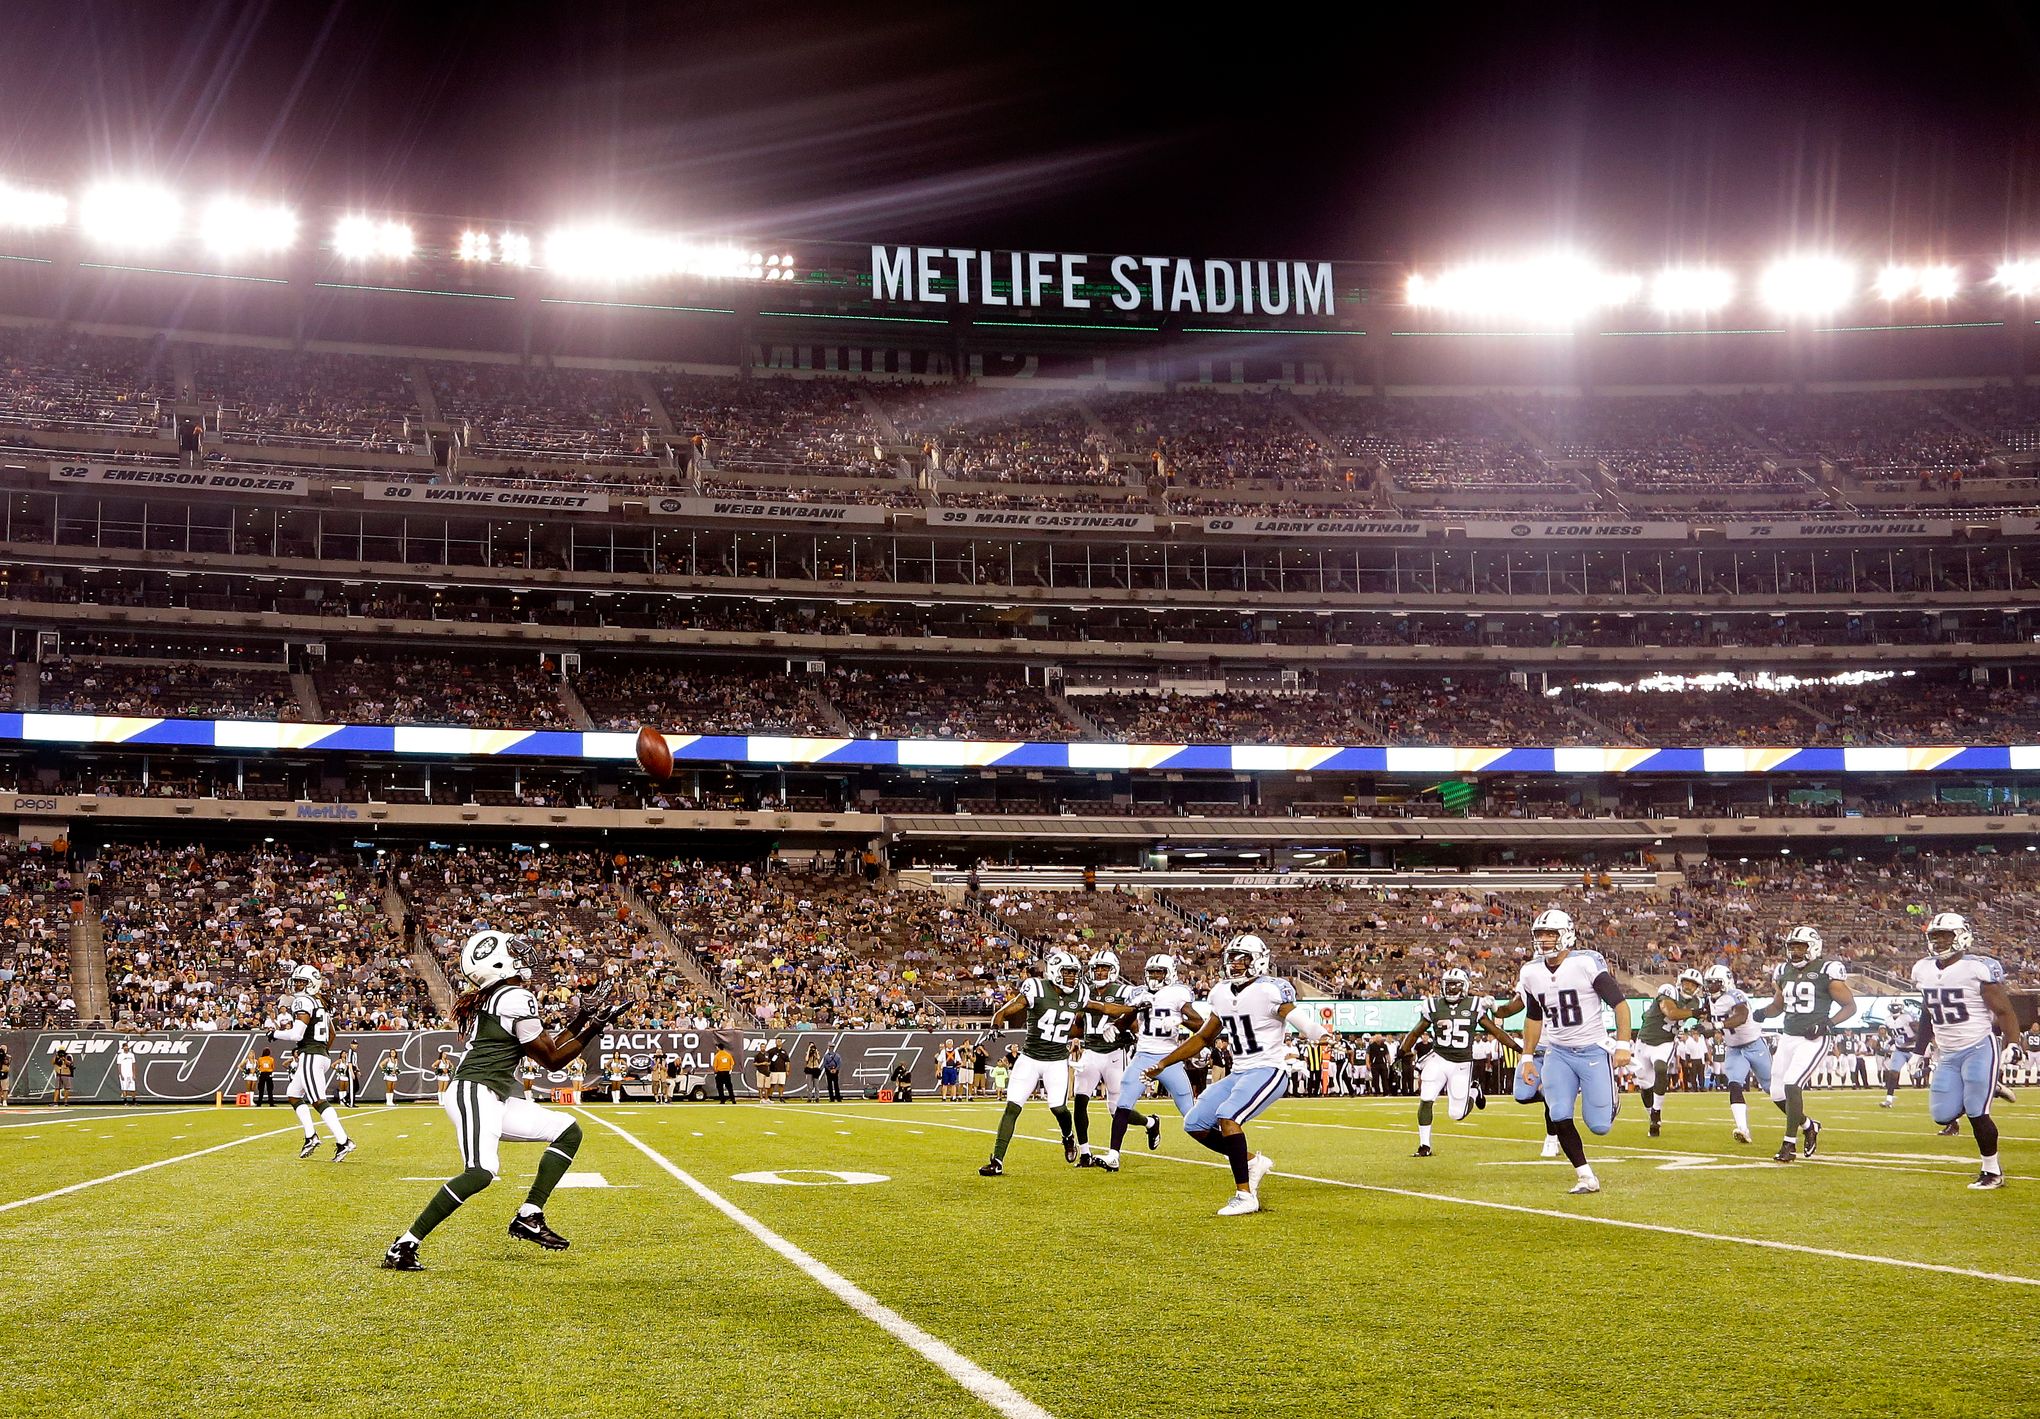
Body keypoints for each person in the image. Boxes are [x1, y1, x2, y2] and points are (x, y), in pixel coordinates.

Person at [382, 930, 626, 1270]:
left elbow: (547, 1048)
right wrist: (594, 1027)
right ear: (497, 962)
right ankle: (404, 1244)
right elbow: (553, 1060)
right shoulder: (512, 995)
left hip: (491, 1094)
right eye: (512, 951)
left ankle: (530, 1214)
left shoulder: (500, 996)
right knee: (480, 1172)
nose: (521, 956)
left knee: (568, 1130)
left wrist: (584, 1019)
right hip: (474, 1089)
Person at [1141, 934, 1327, 1216]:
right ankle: (1252, 1162)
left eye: (1243, 959)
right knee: (1194, 1123)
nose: (1236, 965)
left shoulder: (1272, 989)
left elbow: (1294, 1015)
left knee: (1228, 1116)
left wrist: (1318, 1033)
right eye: (1233, 958)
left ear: (1259, 960)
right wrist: (1164, 1062)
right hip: (1239, 1071)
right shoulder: (1221, 992)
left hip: (1268, 1069)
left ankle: (1245, 1195)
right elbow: (1204, 1037)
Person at [978, 950, 1134, 1176]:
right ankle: (997, 1161)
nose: (1072, 977)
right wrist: (995, 1022)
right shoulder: (1036, 988)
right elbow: (1011, 1007)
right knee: (1012, 1107)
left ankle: (1067, 1135)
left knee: (1058, 1108)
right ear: (1054, 971)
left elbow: (1103, 1008)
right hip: (1030, 1058)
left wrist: (1133, 1009)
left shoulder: (1079, 992)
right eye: (1067, 972)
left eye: (1074, 973)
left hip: (1056, 1061)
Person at [1512, 908, 1632, 1195]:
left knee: (1599, 1126)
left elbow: (1620, 1004)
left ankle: (1611, 1099)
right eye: (1539, 935)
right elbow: (1533, 1017)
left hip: (1592, 1050)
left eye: (1550, 934)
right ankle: (1585, 1175)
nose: (1543, 941)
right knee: (1559, 1113)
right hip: (1558, 1052)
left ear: (1565, 934)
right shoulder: (1530, 971)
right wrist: (1527, 1057)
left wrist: (1623, 1044)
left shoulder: (1586, 963)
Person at [1913, 912, 2021, 1189]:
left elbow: (2004, 1010)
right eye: (1934, 936)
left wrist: (2013, 1043)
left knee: (1976, 1111)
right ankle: (1989, 1086)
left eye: (1945, 935)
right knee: (1942, 1115)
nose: (1938, 941)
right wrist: (1918, 1050)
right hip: (1947, 1052)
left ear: (1961, 936)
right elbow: (1928, 1013)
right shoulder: (1923, 969)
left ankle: (1992, 1171)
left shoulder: (1977, 968)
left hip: (1978, 1047)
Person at [1096, 953, 1205, 1172]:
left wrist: (1180, 1020)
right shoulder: (1139, 993)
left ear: (1169, 974)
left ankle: (1230, 1149)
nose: (1154, 976)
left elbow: (1200, 1024)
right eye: (1151, 972)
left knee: (1190, 1115)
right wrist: (1115, 1027)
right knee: (1122, 1105)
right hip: (1143, 1056)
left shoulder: (1177, 994)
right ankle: (1113, 1155)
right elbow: (1129, 1018)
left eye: (1159, 972)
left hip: (1169, 1058)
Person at [1755, 926, 1855, 1163]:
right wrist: (1761, 1013)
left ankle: (1789, 1144)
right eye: (1793, 947)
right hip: (1788, 1036)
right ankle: (1809, 1125)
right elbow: (1778, 1006)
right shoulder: (1783, 971)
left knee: (1792, 1084)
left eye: (1801, 947)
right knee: (1776, 1093)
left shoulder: (1826, 970)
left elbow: (1850, 1006)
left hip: (1814, 1039)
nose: (1796, 952)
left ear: (1813, 947)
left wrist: (1827, 1024)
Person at [1396, 967, 1515, 1156]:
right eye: (1448, 986)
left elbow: (1497, 1033)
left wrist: (1521, 1050)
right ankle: (1424, 1145)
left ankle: (1474, 1091)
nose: (1451, 989)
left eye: (1455, 986)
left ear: (1465, 986)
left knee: (1456, 1114)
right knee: (1426, 1098)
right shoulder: (1433, 1006)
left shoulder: (1475, 1005)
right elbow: (1416, 1032)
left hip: (1461, 1063)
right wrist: (1401, 1052)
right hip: (1439, 1058)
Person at [273, 963, 353, 1162]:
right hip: (319, 1054)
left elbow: (296, 1034)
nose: (298, 986)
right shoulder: (319, 1003)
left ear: (311, 984)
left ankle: (344, 1141)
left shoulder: (304, 1002)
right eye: (297, 982)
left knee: (318, 1100)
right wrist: (322, 1050)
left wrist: (273, 1033)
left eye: (302, 982)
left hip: (311, 1055)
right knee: (293, 1094)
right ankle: (311, 1136)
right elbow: (332, 1033)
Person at [1071, 950, 1138, 1166]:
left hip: (1115, 1054)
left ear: (1113, 970)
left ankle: (1148, 1123)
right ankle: (1084, 1153)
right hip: (1090, 1052)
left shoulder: (1124, 991)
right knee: (1080, 1101)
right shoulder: (1085, 992)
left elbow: (1137, 1021)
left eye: (1104, 968)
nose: (1099, 972)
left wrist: (1126, 1030)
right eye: (1096, 968)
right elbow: (1079, 1025)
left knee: (1116, 1109)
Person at [1632, 969, 1706, 1137]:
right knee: (1644, 1084)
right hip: (1644, 1040)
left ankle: (1656, 1114)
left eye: (1693, 984)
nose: (1688, 986)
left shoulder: (1696, 1002)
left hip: (1665, 1041)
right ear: (1680, 981)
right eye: (1686, 982)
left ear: (1698, 988)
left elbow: (1704, 1019)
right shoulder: (1669, 990)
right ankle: (1651, 1116)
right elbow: (1671, 1013)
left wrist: (1705, 1022)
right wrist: (1695, 1013)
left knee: (1660, 1069)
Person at [1703, 963, 1769, 1144]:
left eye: (1715, 983)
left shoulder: (1735, 995)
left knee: (1773, 1090)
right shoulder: (1711, 1000)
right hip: (1734, 1048)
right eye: (1709, 983)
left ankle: (1804, 1123)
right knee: (1734, 1084)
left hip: (1754, 1045)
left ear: (1725, 982)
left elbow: (1741, 1016)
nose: (1710, 987)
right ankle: (1743, 1128)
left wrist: (1717, 1026)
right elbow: (1710, 1017)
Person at [1881, 1000, 1924, 1108]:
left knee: (1916, 1074)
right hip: (1899, 1050)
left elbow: (1918, 1032)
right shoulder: (1888, 1020)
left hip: (1912, 1050)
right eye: (1893, 1006)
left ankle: (1932, 1070)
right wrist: (1890, 1043)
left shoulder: (1907, 1017)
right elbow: (1895, 1035)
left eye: (1896, 1006)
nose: (1894, 1008)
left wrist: (1909, 1039)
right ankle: (1889, 1100)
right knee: (1893, 1073)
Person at [116, 1039, 139, 1105]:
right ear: (123, 1048)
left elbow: (133, 1064)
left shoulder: (131, 1055)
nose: (126, 1047)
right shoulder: (120, 1055)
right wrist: (121, 1074)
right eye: (125, 1046)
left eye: (127, 1046)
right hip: (124, 1073)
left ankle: (134, 1101)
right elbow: (119, 1065)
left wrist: (134, 1074)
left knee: (133, 1088)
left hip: (130, 1073)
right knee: (124, 1088)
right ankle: (125, 1101)